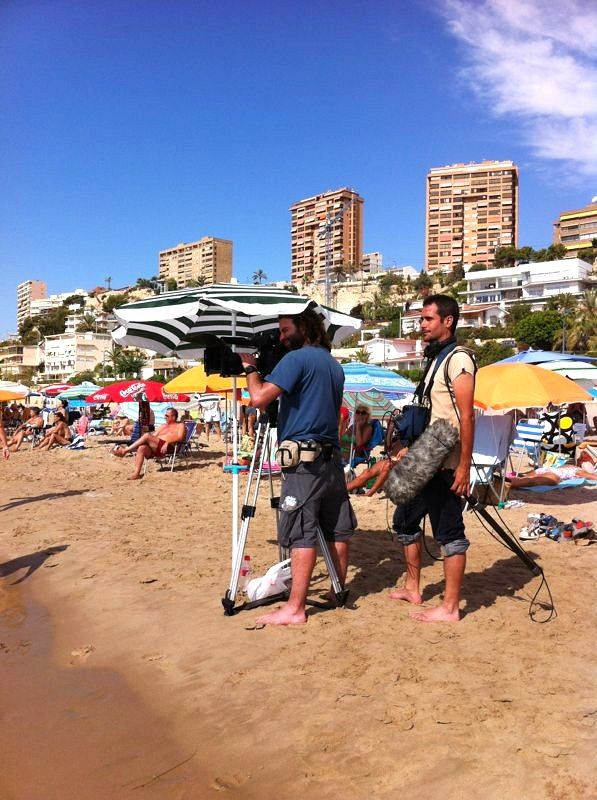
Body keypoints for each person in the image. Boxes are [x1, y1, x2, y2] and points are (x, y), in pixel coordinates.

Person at [240, 308, 357, 626]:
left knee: (301, 532)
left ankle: (295, 608)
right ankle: (337, 590)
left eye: (284, 329)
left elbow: (259, 398)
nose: (281, 336)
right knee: (336, 527)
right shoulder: (334, 365)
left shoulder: (296, 360)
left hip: (303, 461)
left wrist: (250, 368)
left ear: (305, 328)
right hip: (331, 459)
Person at [389, 294, 476, 623]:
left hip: (444, 457)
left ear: (447, 321)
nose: (421, 324)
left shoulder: (459, 360)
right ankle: (413, 587)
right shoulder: (435, 359)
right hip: (425, 452)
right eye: (421, 319)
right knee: (405, 519)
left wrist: (464, 466)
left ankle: (450, 607)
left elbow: (467, 417)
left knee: (449, 530)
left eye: (428, 319)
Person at [111, 407, 186, 480]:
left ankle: (125, 451)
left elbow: (180, 437)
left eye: (167, 416)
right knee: (142, 448)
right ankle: (136, 473)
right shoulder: (163, 426)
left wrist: (167, 442)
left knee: (147, 436)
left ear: (173, 417)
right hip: (156, 448)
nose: (164, 417)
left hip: (169, 448)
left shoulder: (180, 425)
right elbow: (153, 436)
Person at [507, 464, 596, 487]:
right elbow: (593, 477)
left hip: (545, 469)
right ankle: (509, 484)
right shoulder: (579, 471)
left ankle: (506, 481)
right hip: (554, 474)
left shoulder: (570, 466)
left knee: (524, 479)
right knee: (531, 482)